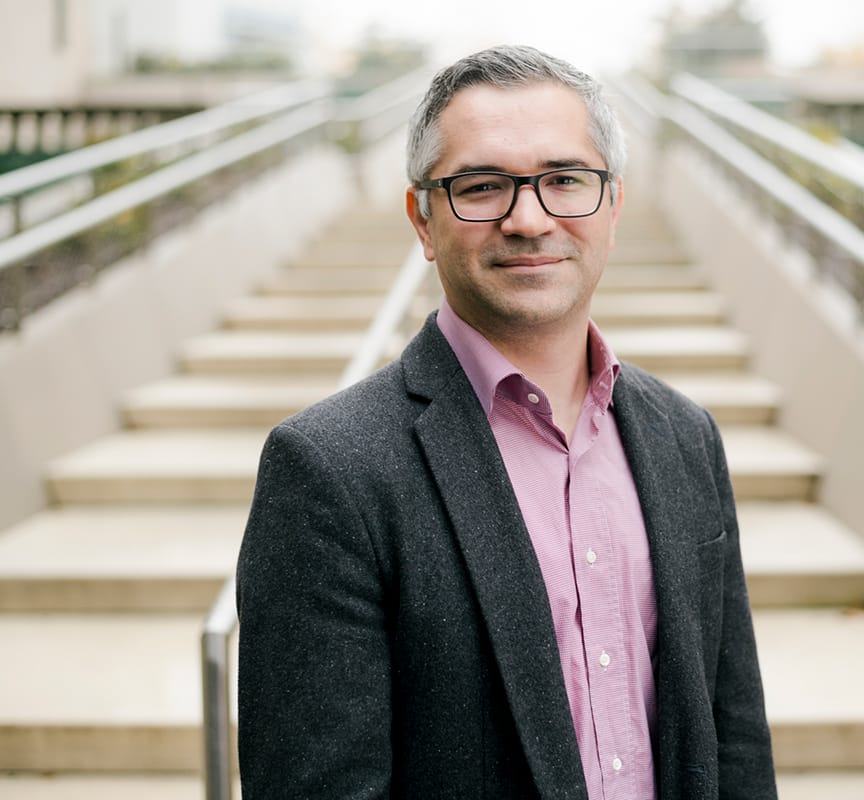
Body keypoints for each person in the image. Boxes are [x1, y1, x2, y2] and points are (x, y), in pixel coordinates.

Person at [236, 44, 777, 799]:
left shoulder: (686, 438)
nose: (528, 220)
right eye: (482, 187)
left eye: (564, 180)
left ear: (612, 208)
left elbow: (735, 740)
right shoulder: (329, 469)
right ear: (422, 220)